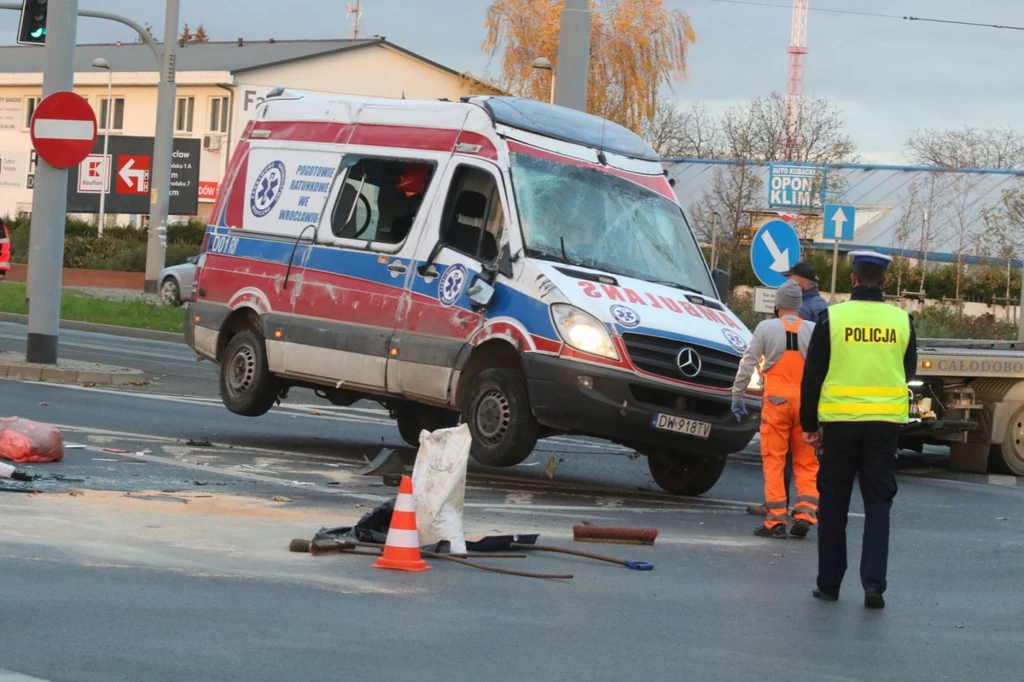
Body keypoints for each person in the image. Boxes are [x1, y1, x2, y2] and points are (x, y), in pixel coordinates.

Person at [801, 251, 916, 610]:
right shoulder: (902, 320)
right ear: (884, 282)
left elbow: (813, 376)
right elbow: (908, 371)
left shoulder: (832, 318)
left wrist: (809, 425)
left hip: (839, 426)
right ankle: (874, 586)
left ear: (852, 279)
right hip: (883, 427)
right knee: (878, 506)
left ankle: (830, 584)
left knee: (833, 506)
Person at [732, 280, 819, 539]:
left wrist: (737, 394)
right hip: (806, 404)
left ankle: (775, 522)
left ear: (777, 305)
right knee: (807, 461)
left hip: (777, 403)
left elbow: (748, 363)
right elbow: (824, 369)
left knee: (775, 461)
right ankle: (805, 513)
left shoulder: (765, 328)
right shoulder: (814, 330)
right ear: (800, 305)